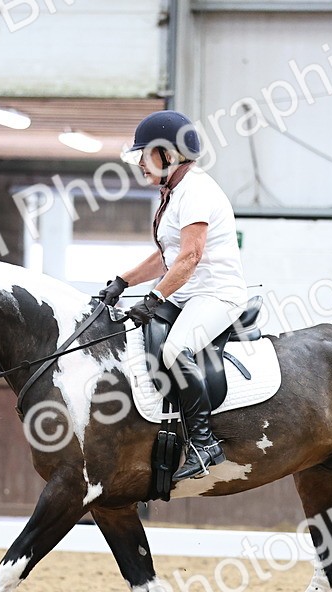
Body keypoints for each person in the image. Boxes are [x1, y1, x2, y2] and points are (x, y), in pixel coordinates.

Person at [94, 110, 248, 481]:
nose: (141, 165)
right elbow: (166, 255)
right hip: (188, 294)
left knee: (176, 350)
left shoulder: (196, 192)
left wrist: (155, 298)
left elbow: (190, 257)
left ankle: (204, 443)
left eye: (145, 156)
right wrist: (122, 282)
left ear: (168, 154)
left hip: (217, 294)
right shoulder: (174, 193)